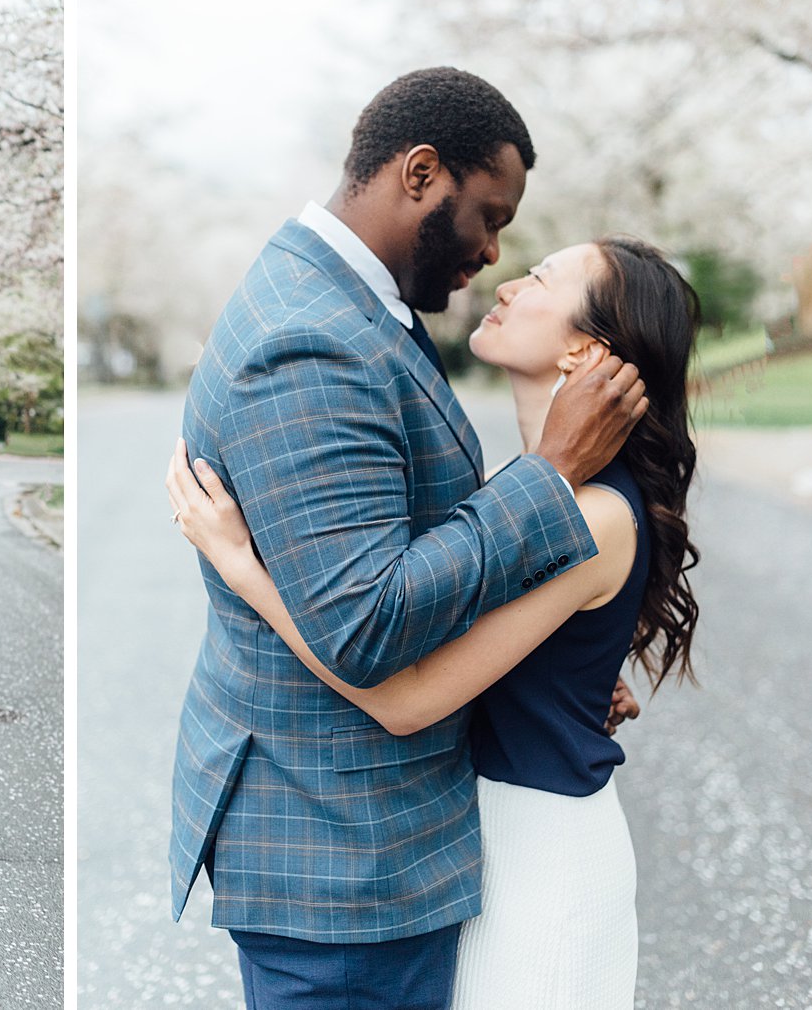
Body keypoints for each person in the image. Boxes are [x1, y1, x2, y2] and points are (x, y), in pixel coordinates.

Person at [165, 68, 650, 1010]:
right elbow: (364, 627)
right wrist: (546, 477)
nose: (495, 253)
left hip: (371, 845)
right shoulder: (313, 340)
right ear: (421, 174)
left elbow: (400, 541)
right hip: (342, 859)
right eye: (491, 217)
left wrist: (549, 658)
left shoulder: (357, 305)